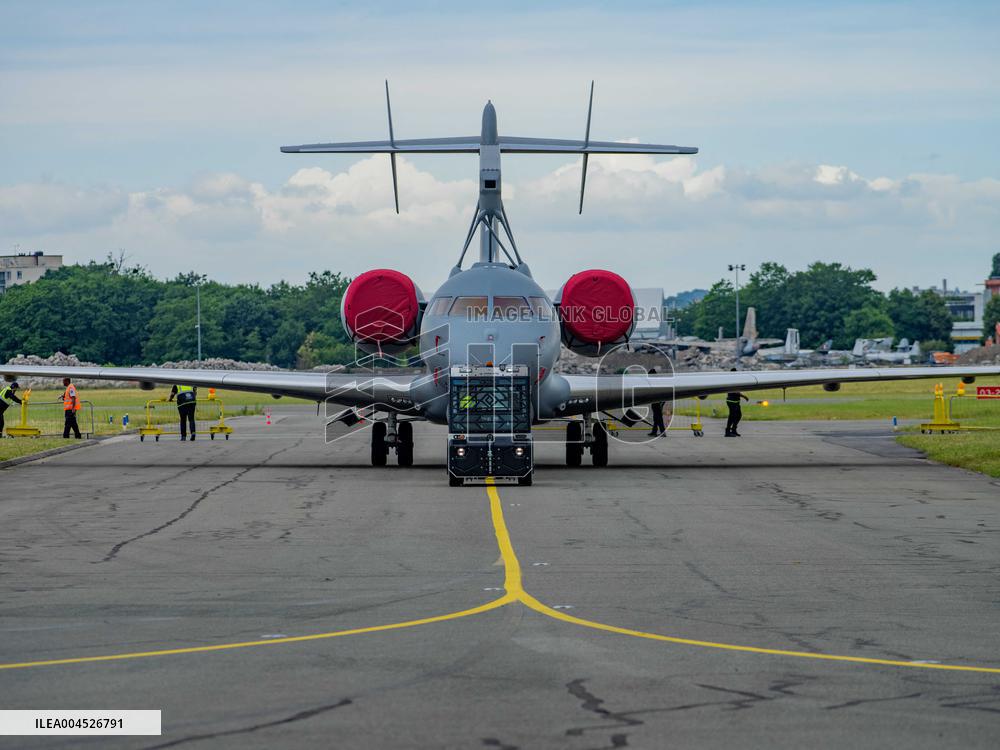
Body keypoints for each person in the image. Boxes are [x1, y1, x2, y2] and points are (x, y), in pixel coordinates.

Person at [725, 368, 749, 437]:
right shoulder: (731, 380)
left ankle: (733, 429)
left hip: (736, 402)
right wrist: (744, 396)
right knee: (732, 416)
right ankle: (727, 432)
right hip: (731, 401)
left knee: (738, 415)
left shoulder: (734, 380)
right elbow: (735, 391)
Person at [647, 369, 666, 437]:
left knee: (658, 417)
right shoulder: (657, 380)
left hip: (658, 401)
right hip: (656, 401)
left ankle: (662, 432)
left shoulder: (656, 381)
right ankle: (654, 431)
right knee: (656, 417)